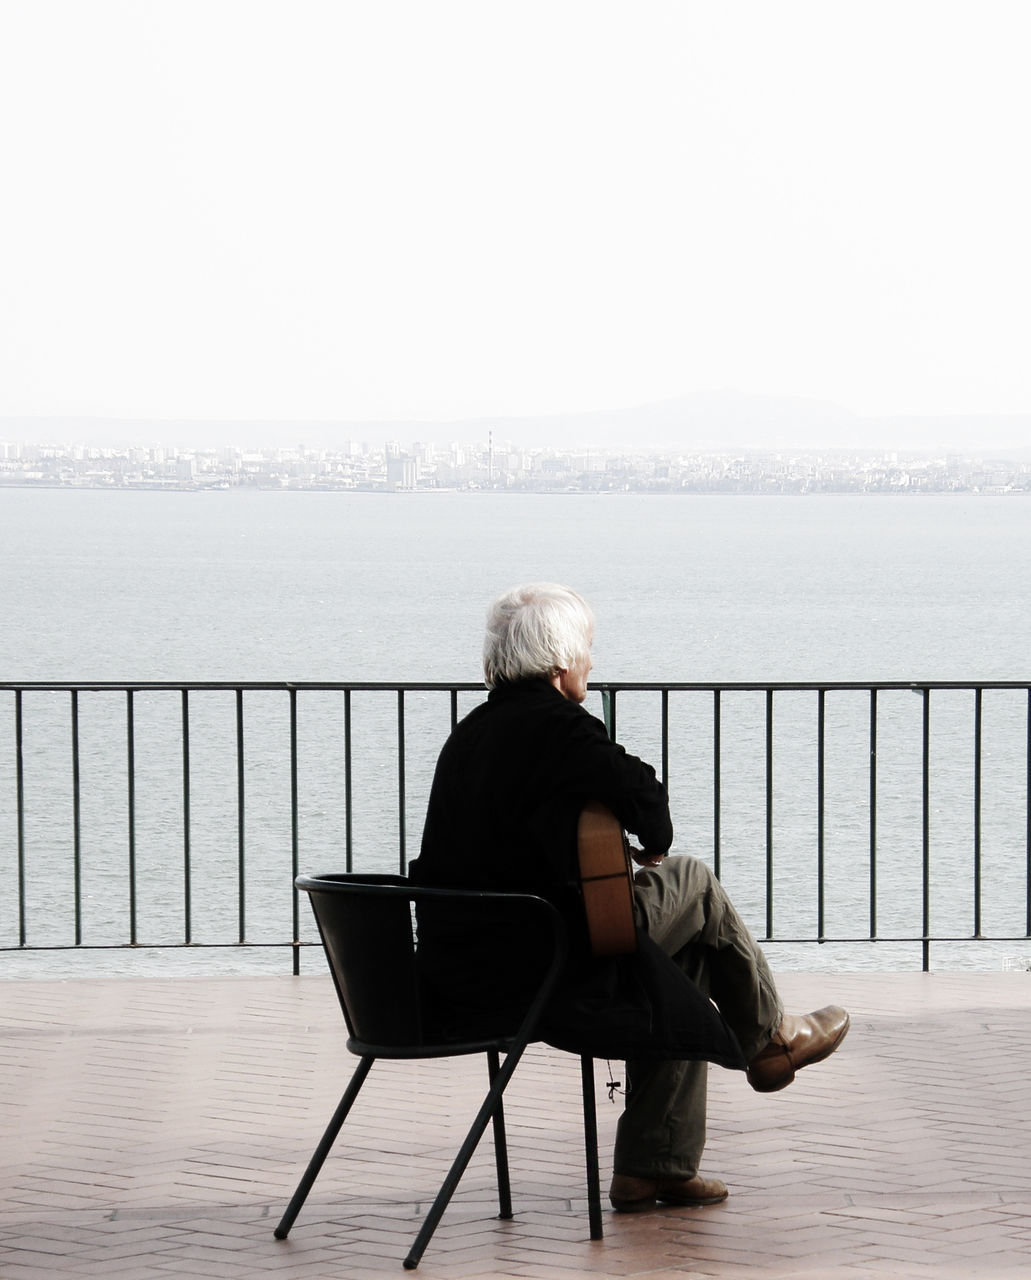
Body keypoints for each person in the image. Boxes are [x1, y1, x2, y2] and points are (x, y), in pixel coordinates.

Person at [410, 583, 849, 1213]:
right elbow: (649, 804)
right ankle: (771, 1038)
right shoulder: (559, 729)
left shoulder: (468, 737)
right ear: (560, 663)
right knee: (694, 881)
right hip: (548, 966)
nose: (592, 661)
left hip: (468, 972)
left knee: (683, 959)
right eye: (587, 649)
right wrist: (643, 840)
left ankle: (655, 1167)